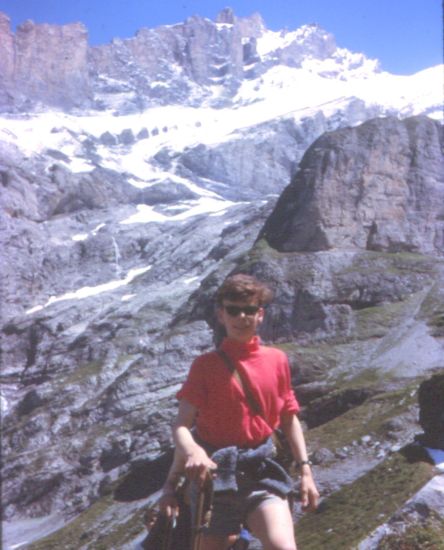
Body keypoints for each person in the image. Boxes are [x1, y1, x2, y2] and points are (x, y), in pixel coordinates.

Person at [159, 273, 319, 550]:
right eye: (233, 310)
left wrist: (305, 471)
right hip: (213, 477)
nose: (241, 316)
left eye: (249, 310)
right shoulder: (204, 366)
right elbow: (181, 426)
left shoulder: (278, 360)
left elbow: (289, 418)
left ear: (260, 315)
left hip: (261, 471)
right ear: (221, 315)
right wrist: (191, 457)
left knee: (283, 547)